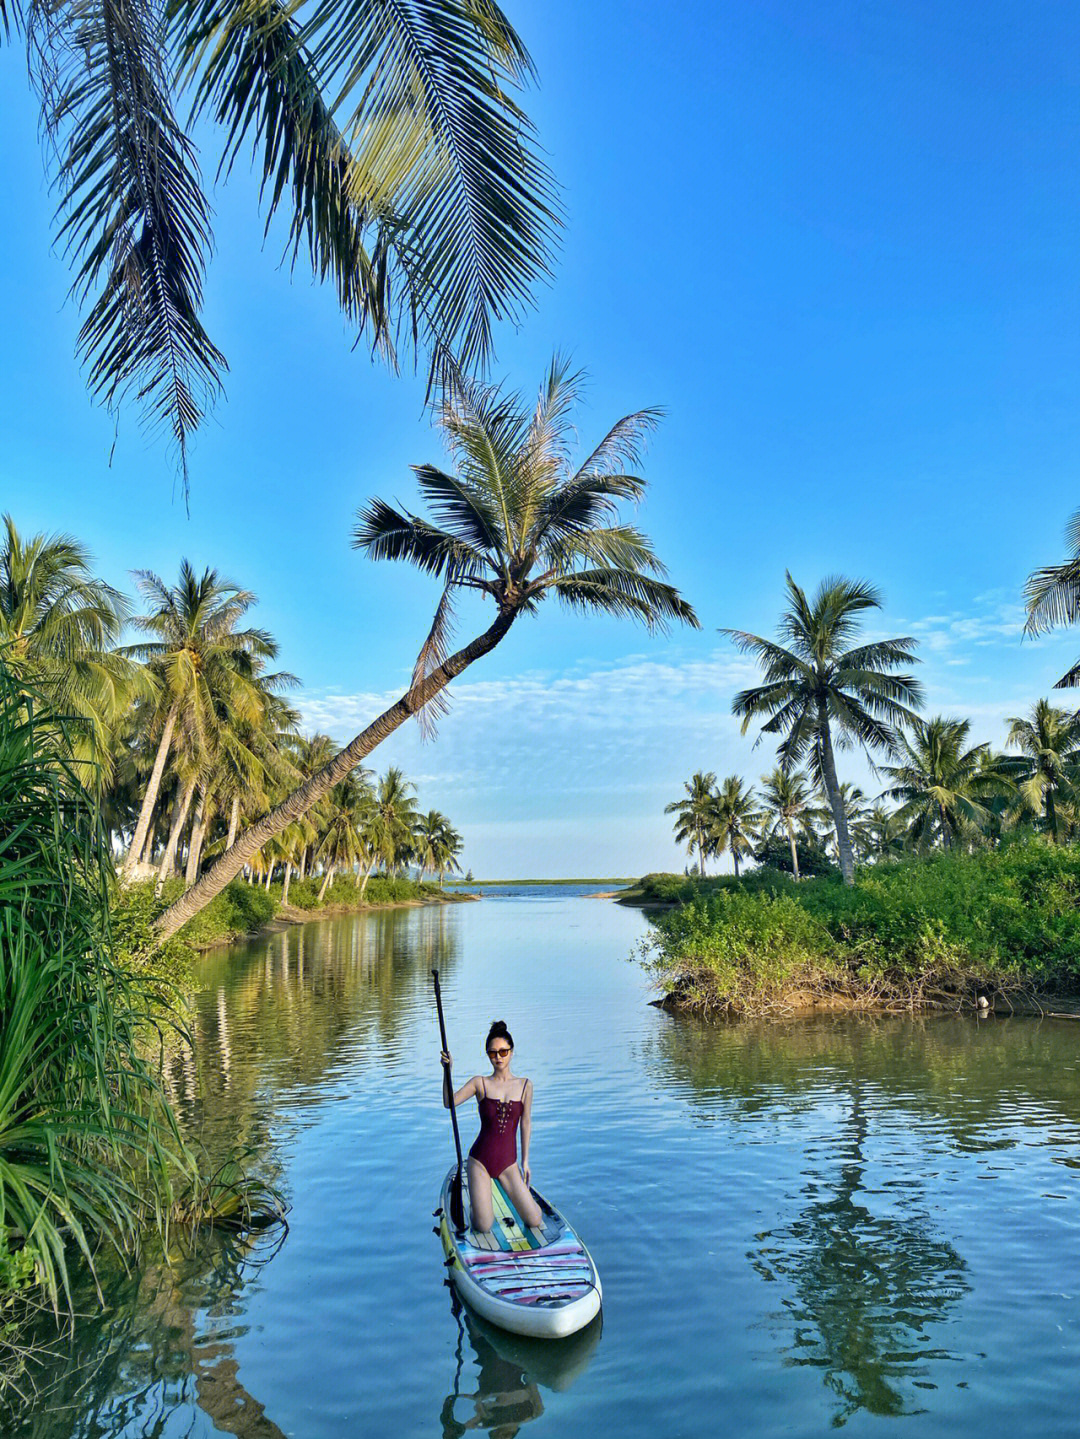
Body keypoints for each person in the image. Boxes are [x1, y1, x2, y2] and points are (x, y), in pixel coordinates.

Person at [441, 1020, 543, 1234]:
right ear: (487, 1055)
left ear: (512, 1052)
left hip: (509, 1163)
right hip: (480, 1161)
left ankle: (487, 1197)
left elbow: (526, 1123)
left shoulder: (525, 1085)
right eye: (493, 1053)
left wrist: (525, 1161)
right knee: (483, 1226)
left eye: (503, 1052)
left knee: (534, 1219)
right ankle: (475, 1206)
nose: (498, 1057)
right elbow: (449, 1102)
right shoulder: (480, 1083)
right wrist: (447, 1071)